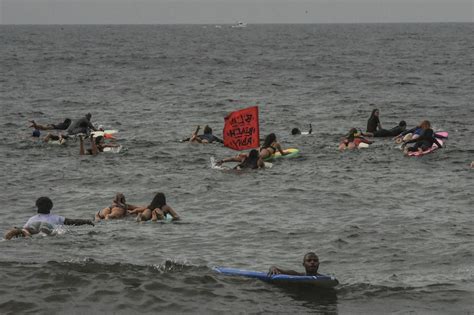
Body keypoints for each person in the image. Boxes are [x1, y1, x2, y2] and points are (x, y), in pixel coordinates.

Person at [4, 197, 94, 240]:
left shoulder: (32, 219)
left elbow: (24, 229)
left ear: (37, 206)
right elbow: (72, 222)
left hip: (32, 228)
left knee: (24, 231)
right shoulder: (56, 218)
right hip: (47, 228)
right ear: (51, 207)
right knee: (54, 233)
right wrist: (86, 221)